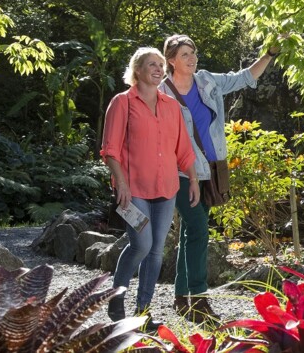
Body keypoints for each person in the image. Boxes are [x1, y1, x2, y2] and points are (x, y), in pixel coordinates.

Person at [160, 34, 280, 324]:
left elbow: (243, 77)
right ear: (171, 60)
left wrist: (270, 54)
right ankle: (199, 301)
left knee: (192, 232)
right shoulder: (161, 92)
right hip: (179, 173)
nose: (192, 58)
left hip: (211, 170)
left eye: (193, 52)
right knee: (199, 230)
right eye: (185, 54)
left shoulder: (206, 81)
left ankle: (180, 297)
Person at [101, 47, 199, 331]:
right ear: (137, 71)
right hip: (134, 191)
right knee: (141, 244)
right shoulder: (122, 103)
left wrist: (192, 180)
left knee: (156, 251)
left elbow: (184, 149)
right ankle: (115, 297)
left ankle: (143, 311)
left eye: (160, 64)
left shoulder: (171, 106)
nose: (158, 69)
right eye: (151, 65)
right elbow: (110, 149)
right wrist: (120, 183)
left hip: (166, 188)